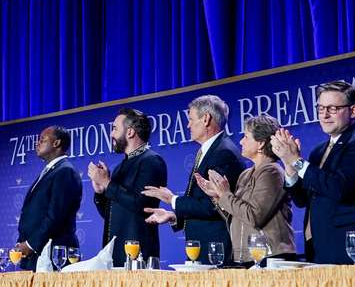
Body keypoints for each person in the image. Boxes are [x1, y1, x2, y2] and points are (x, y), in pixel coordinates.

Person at [270, 80, 355, 264]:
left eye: (332, 108)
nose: (324, 115)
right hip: (318, 246)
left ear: (353, 110)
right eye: (321, 108)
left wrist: (296, 160)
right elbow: (302, 200)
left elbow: (339, 188)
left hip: (350, 248)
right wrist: (288, 164)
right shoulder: (318, 151)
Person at [141, 95, 244, 264]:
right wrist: (173, 217)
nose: (188, 125)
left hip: (216, 252)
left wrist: (171, 199)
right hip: (203, 251)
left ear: (206, 119)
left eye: (191, 119)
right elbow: (201, 203)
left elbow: (212, 206)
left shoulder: (223, 153)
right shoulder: (209, 150)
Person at [189, 114, 294, 264]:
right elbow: (237, 217)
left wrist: (225, 194)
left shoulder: (272, 172)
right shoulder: (245, 175)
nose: (241, 141)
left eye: (246, 137)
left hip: (270, 257)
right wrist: (218, 197)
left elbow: (254, 217)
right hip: (246, 256)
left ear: (261, 144)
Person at [88, 108, 168, 266]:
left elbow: (141, 205)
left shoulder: (152, 161)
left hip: (138, 256)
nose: (111, 134)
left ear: (130, 132)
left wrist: (107, 183)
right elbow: (110, 214)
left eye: (115, 129)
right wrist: (100, 192)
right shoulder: (120, 167)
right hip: (113, 255)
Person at [13, 125, 82, 270]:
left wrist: (31, 244)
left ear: (56, 143)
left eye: (42, 140)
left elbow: (55, 217)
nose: (37, 143)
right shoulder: (51, 171)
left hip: (55, 256)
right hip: (37, 254)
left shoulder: (65, 172)